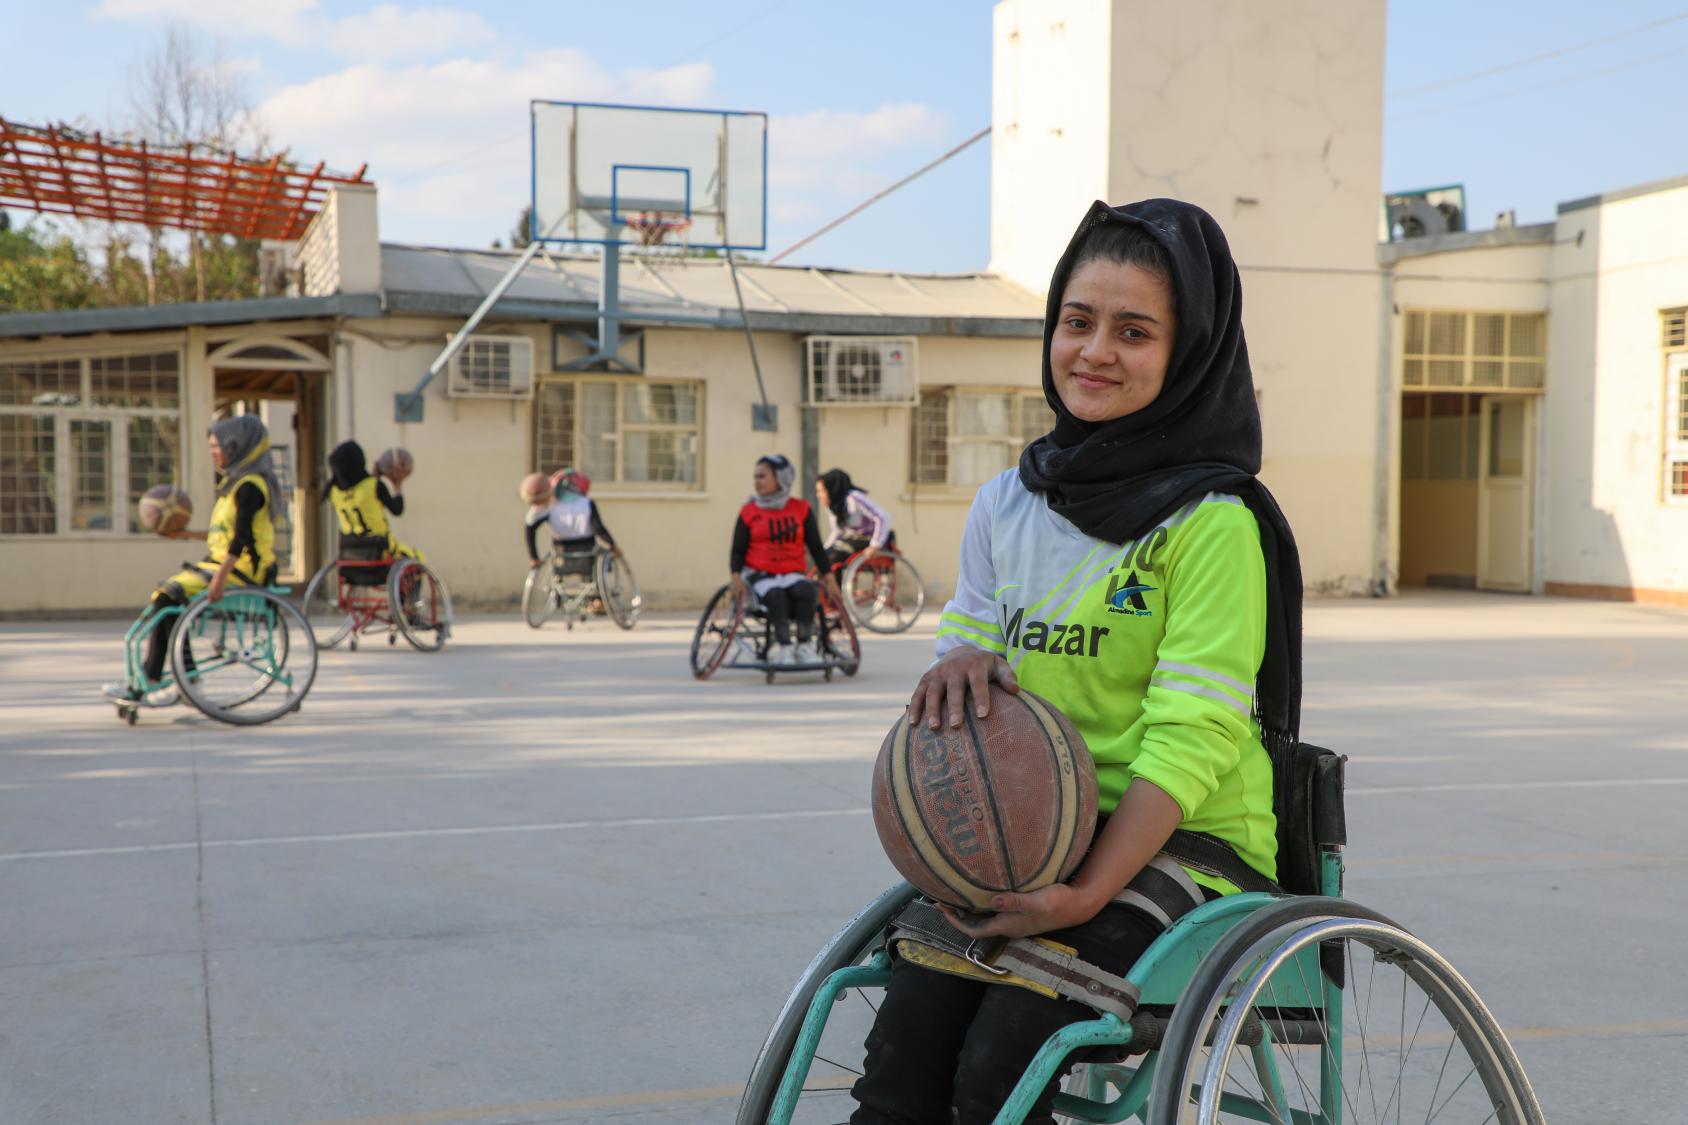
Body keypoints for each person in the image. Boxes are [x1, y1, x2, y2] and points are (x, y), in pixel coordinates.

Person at [848, 198, 1305, 1125]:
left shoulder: (1213, 524)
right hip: (1034, 829)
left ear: (1188, 354)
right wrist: (953, 676)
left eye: (1134, 331)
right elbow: (969, 646)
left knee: (997, 1074)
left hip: (1182, 840)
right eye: (1077, 320)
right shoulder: (1008, 504)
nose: (1095, 350)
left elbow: (1194, 732)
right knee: (901, 1066)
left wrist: (1090, 888)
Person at [103, 416, 289, 707]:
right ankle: (178, 678)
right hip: (227, 564)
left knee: (167, 597)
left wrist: (220, 577)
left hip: (243, 571)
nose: (214, 452)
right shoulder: (236, 483)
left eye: (217, 446)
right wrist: (184, 534)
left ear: (236, 446)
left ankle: (166, 679)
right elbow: (225, 534)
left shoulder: (250, 487)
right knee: (166, 598)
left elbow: (240, 540)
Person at [729, 454, 842, 666]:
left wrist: (830, 580)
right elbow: (737, 550)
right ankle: (784, 648)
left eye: (762, 476)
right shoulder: (749, 511)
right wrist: (735, 577)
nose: (757, 482)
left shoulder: (801, 509)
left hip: (791, 574)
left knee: (807, 591)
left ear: (781, 478)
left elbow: (816, 548)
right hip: (760, 575)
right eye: (755, 477)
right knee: (777, 597)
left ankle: (804, 645)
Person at [323, 440, 423, 560]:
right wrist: (397, 485)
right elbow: (397, 510)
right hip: (379, 551)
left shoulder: (332, 492)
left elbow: (355, 494)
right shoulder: (374, 486)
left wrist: (373, 477)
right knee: (418, 557)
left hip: (349, 555)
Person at [525, 467, 618, 582]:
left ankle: (557, 592)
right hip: (587, 548)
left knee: (558, 561)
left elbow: (530, 528)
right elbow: (598, 528)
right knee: (599, 560)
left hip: (561, 549)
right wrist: (613, 545)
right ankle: (596, 597)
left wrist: (534, 557)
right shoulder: (586, 503)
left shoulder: (546, 507)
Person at [816, 467, 895, 576]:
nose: (818, 495)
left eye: (821, 491)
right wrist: (824, 549)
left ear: (832, 489)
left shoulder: (854, 498)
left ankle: (836, 591)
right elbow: (837, 532)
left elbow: (882, 517)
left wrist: (875, 545)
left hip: (870, 539)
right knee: (825, 557)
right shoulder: (834, 506)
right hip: (853, 540)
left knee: (834, 557)